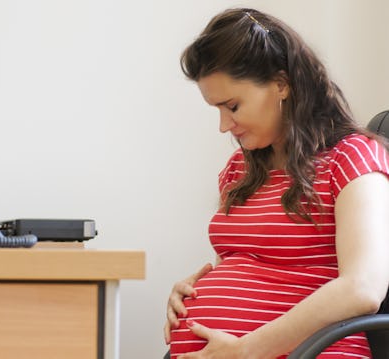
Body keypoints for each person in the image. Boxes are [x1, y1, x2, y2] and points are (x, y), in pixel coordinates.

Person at [164, 8, 389, 359]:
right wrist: (193, 291)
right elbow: (254, 269)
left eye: (233, 106)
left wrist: (247, 349)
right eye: (217, 110)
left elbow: (363, 288)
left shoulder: (354, 157)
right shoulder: (239, 170)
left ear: (281, 84)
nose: (225, 126)